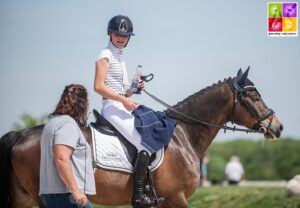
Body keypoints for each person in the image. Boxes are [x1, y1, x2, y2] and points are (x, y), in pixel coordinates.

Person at [94, 15, 159, 207]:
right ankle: (138, 197)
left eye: (125, 35)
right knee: (146, 144)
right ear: (109, 33)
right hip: (112, 108)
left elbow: (120, 90)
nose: (121, 38)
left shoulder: (119, 56)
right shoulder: (104, 55)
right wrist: (124, 99)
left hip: (120, 104)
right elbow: (98, 86)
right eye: (117, 34)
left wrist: (134, 89)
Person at [39, 84, 96, 208]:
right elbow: (61, 158)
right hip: (68, 196)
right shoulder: (68, 124)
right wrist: (75, 190)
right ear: (82, 104)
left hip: (53, 195)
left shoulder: (51, 123)